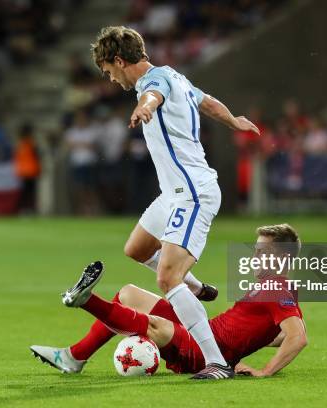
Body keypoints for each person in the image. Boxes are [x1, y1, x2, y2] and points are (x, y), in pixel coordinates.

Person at [88, 26, 260, 379]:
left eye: (108, 71)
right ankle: (196, 286)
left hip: (193, 193)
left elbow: (153, 96)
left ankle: (216, 362)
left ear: (119, 60)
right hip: (173, 193)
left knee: (167, 279)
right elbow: (207, 101)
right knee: (136, 248)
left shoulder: (156, 82)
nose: (110, 78)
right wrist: (233, 121)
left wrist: (144, 109)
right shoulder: (176, 77)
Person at [31, 224, 308, 377]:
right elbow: (284, 333)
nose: (254, 256)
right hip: (206, 334)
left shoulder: (277, 288)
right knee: (129, 294)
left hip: (204, 353)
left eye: (262, 251)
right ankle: (75, 357)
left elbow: (298, 337)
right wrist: (254, 343)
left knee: (156, 327)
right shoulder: (271, 287)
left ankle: (86, 300)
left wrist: (265, 371)